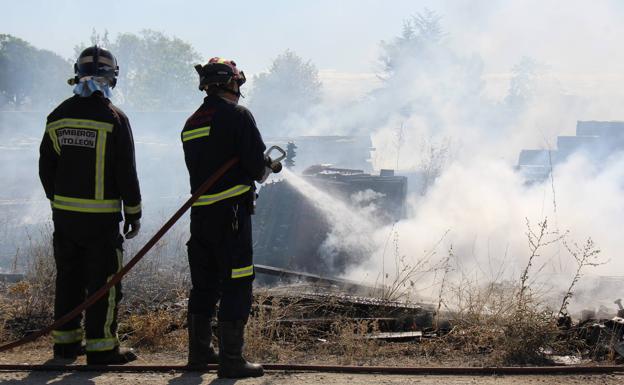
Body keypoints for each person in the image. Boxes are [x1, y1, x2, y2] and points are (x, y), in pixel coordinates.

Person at [38, 45, 142, 365]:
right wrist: (134, 213)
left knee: (68, 279)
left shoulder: (57, 116)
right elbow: (126, 171)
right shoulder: (114, 118)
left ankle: (66, 345)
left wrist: (58, 202)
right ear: (113, 77)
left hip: (65, 219)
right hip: (102, 221)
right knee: (104, 284)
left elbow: (46, 168)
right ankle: (102, 348)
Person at [182, 57, 268, 378]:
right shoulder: (238, 116)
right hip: (231, 214)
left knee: (204, 284)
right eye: (237, 83)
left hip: (201, 216)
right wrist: (264, 168)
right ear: (231, 83)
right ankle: (231, 361)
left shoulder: (191, 123)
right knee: (237, 281)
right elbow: (256, 167)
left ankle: (199, 354)